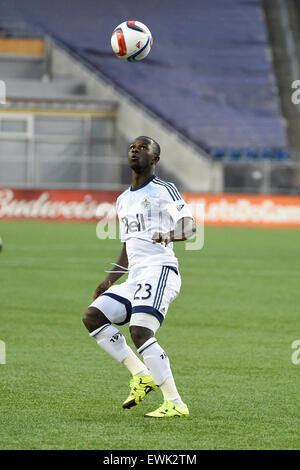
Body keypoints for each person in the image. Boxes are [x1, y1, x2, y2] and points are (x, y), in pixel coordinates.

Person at [82, 136, 196, 418]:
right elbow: (127, 245)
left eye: (143, 148)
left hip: (160, 271)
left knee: (140, 331)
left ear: (155, 159)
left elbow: (190, 226)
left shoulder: (164, 189)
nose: (135, 150)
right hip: (135, 277)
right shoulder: (122, 199)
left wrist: (169, 235)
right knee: (93, 317)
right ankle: (141, 375)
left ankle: (175, 403)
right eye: (132, 147)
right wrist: (110, 279)